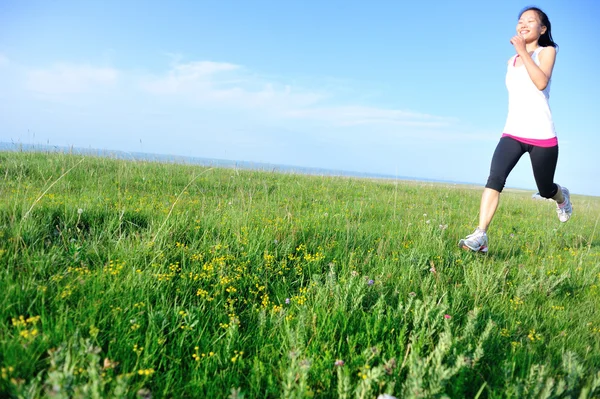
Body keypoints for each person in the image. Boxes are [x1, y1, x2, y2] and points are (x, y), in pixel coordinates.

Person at [459, 6, 572, 253]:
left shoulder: (547, 51)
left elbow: (541, 82)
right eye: (520, 20)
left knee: (545, 189)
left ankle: (561, 197)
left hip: (542, 134)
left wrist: (523, 51)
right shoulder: (511, 61)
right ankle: (481, 236)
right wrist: (520, 54)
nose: (523, 24)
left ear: (542, 29)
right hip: (512, 132)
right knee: (494, 179)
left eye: (530, 21)